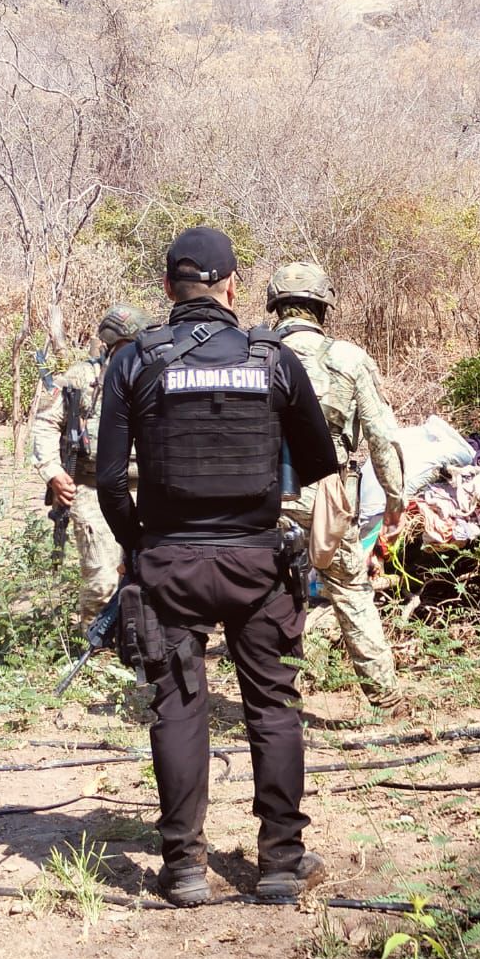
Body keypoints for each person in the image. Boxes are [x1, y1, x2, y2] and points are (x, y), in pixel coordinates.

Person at [96, 227, 339, 907]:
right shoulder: (273, 357)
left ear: (171, 290)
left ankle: (183, 868)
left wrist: (143, 546)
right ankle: (282, 863)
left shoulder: (134, 361)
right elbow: (318, 463)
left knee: (176, 706)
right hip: (259, 563)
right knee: (274, 706)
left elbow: (110, 480)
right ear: (233, 286)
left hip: (169, 560)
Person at [265, 261, 406, 713]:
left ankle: (275, 699)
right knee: (350, 590)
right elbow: (382, 436)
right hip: (326, 491)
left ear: (277, 307)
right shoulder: (347, 357)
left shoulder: (252, 351)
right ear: (321, 307)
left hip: (258, 492)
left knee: (267, 593)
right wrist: (395, 499)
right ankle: (386, 700)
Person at [30, 305, 151, 624]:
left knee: (151, 574)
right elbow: (45, 423)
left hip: (147, 491)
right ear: (110, 344)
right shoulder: (81, 378)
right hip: (92, 488)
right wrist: (53, 472)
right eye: (128, 347)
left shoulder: (153, 376)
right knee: (103, 581)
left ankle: (139, 643)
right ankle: (95, 645)